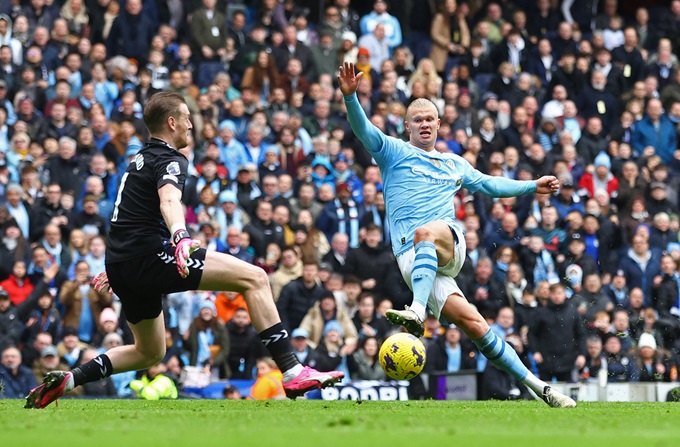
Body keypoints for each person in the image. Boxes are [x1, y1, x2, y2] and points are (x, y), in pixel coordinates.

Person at [26, 92, 343, 409]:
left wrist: (120, 267)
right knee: (256, 277)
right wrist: (181, 236)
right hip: (149, 257)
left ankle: (70, 380)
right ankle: (291, 370)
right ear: (172, 122)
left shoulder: (137, 160)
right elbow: (169, 200)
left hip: (123, 263)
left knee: (149, 352)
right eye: (187, 118)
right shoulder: (170, 160)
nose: (192, 125)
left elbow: (126, 215)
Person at [337, 62, 575, 407]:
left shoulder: (454, 163)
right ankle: (541, 388)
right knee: (476, 326)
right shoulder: (392, 151)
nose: (423, 124)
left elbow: (491, 184)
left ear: (438, 124)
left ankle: (417, 311)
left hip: (446, 242)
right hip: (414, 260)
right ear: (406, 126)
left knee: (427, 231)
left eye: (429, 119)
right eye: (416, 120)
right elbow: (363, 130)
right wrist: (350, 99)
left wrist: (531, 185)